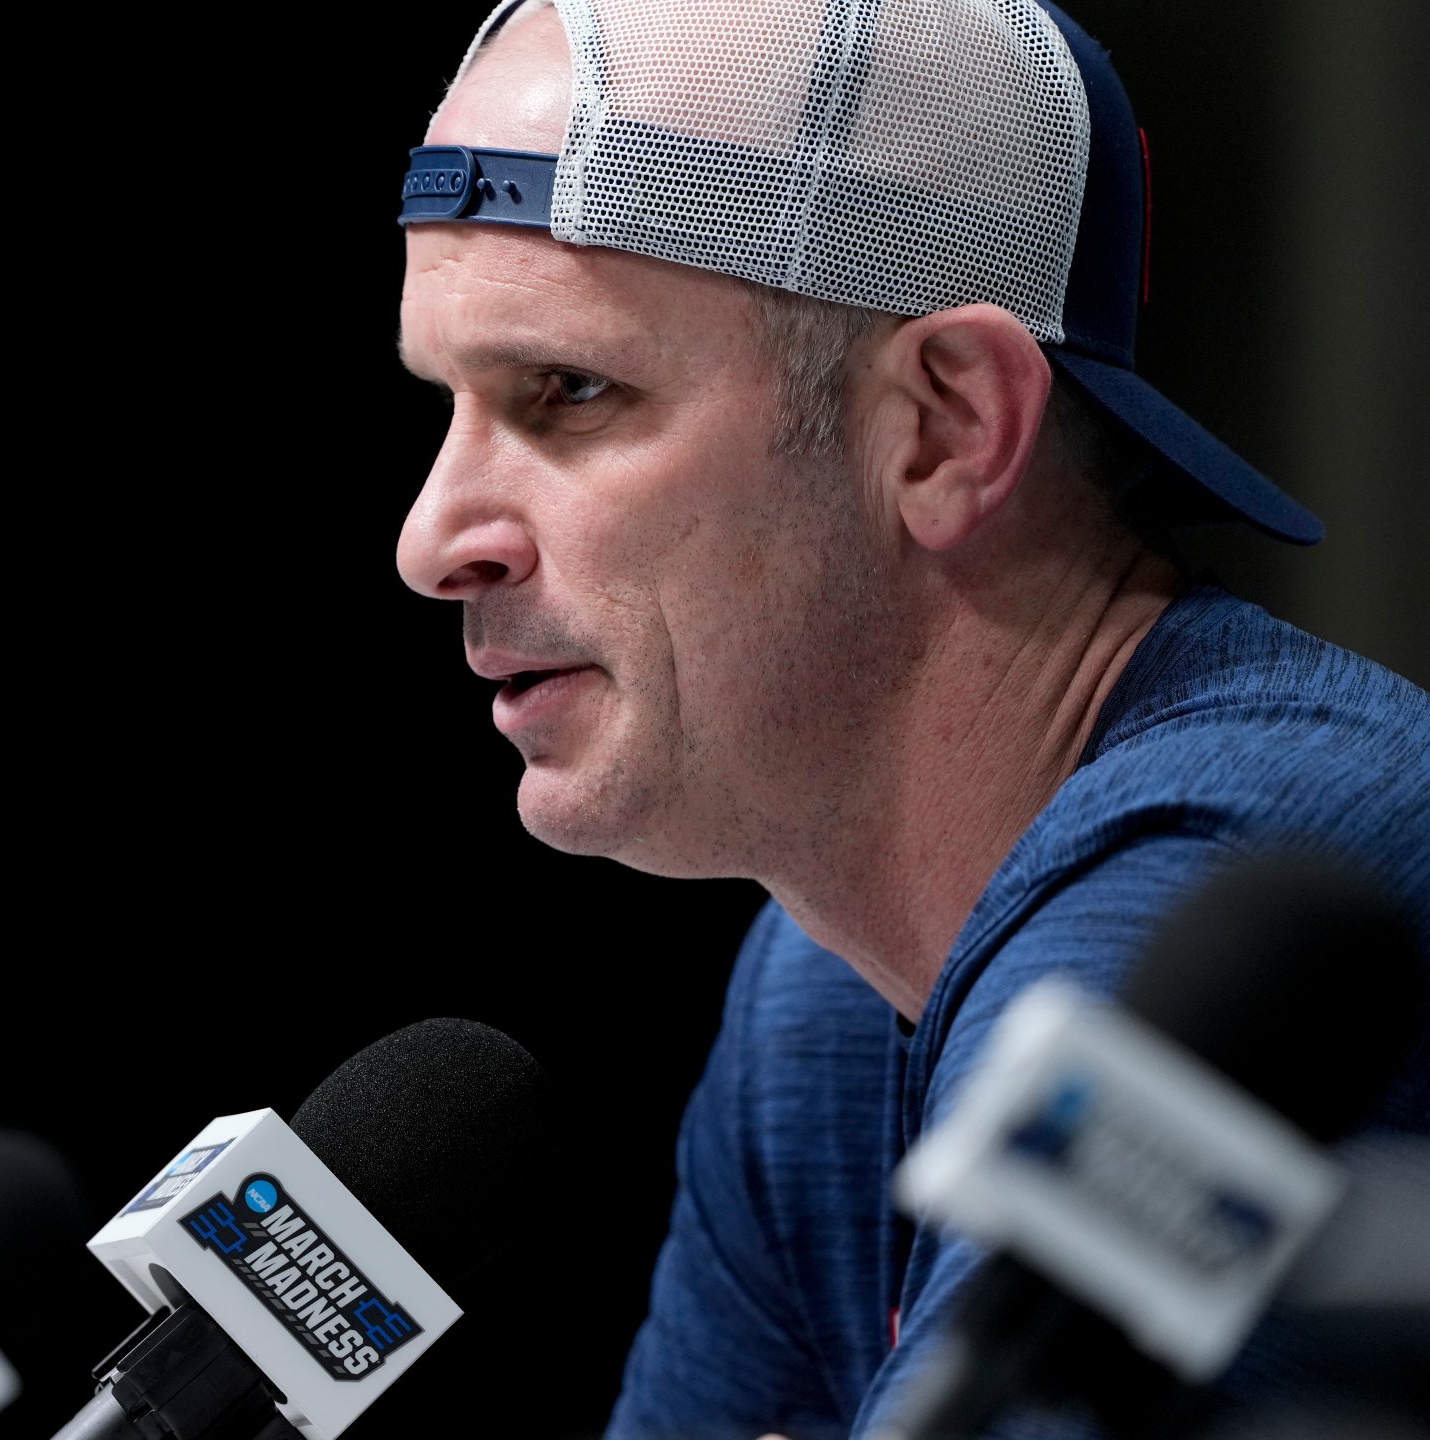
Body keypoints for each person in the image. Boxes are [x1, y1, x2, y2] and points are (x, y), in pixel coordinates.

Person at [387, 1, 1430, 1436]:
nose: (435, 539)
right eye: (446, 406)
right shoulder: (820, 987)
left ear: (943, 428)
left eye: (570, 390)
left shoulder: (1215, 873)